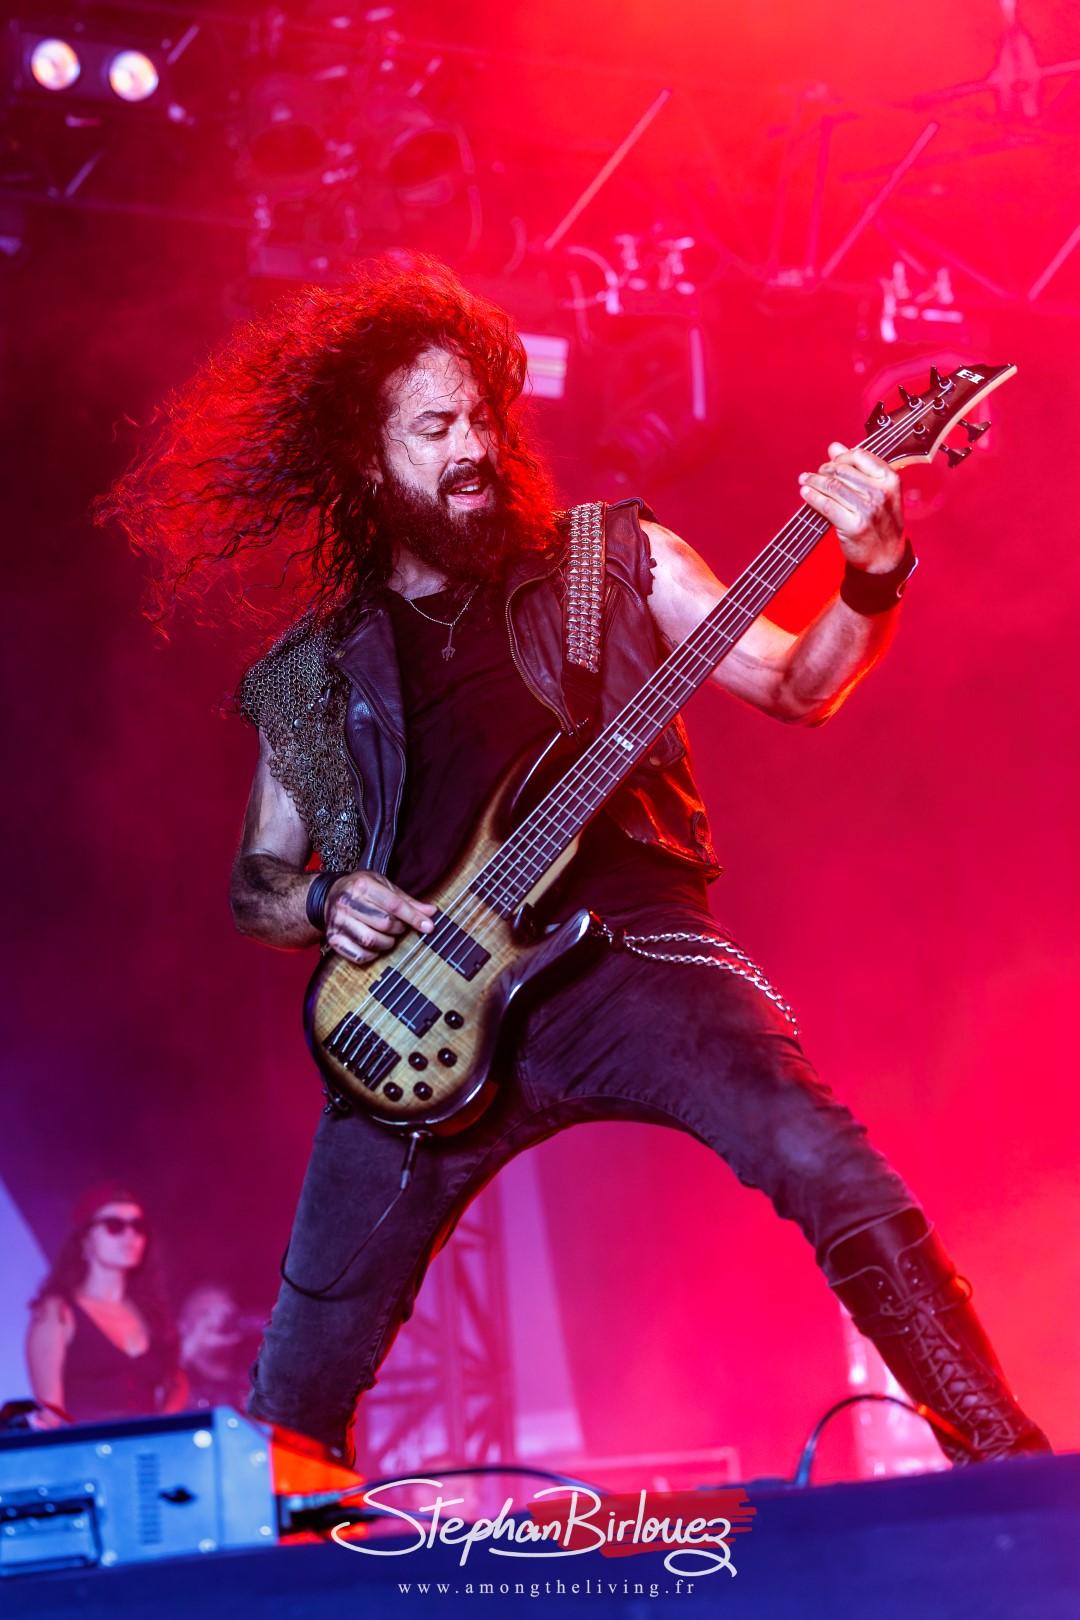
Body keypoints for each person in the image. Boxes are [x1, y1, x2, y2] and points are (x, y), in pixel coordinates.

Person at [99, 255, 1050, 1471]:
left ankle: (1004, 1463)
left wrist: (873, 569)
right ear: (365, 463)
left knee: (820, 1156)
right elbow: (256, 885)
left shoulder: (611, 556)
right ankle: (292, 1563)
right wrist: (328, 900)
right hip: (414, 1019)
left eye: (482, 419)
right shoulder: (314, 668)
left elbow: (796, 684)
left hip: (634, 957)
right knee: (298, 1380)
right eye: (434, 428)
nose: (473, 448)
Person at [25, 1183, 188, 1426]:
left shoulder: (151, 1313)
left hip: (148, 1445)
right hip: (86, 1446)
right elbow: (50, 1412)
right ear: (85, 1238)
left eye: (138, 1226)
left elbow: (175, 1379)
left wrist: (165, 1423)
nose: (130, 1235)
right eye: (114, 1225)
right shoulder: (58, 1312)